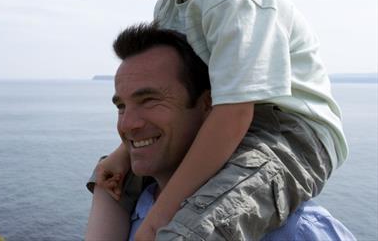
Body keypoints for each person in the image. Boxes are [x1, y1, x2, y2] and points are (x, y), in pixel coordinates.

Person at [94, 0, 348, 237]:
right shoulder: (168, 8)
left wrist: (159, 216)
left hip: (290, 133)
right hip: (221, 119)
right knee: (108, 178)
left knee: (191, 231)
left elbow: (235, 112)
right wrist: (121, 155)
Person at [85, 24, 355, 241]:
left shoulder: (296, 231)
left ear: (208, 105)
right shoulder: (124, 209)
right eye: (121, 106)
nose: (127, 124)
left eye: (149, 100)